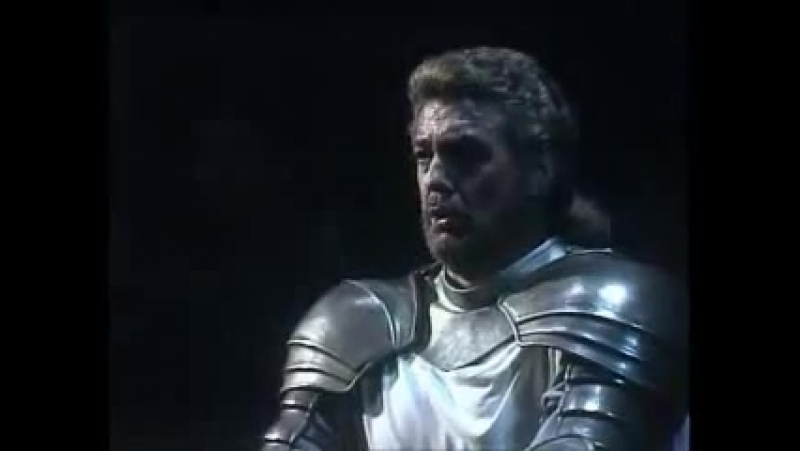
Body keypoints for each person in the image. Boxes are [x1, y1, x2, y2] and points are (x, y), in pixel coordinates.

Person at [262, 47, 688, 451]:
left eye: (465, 154)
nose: (435, 179)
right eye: (423, 156)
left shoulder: (614, 307)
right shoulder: (354, 323)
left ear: (538, 168)